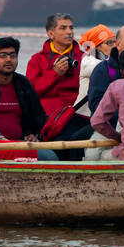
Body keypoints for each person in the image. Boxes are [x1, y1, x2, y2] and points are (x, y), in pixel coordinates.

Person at [25, 13, 89, 157]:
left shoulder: (84, 58)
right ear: (51, 33)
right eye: (63, 28)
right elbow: (31, 93)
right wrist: (55, 73)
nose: (69, 32)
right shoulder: (37, 60)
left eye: (71, 28)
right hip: (48, 120)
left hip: (77, 115)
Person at [0, 36, 57, 160]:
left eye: (12, 55)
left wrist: (31, 133)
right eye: (3, 55)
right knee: (49, 157)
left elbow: (38, 115)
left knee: (50, 156)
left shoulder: (22, 83)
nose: (8, 59)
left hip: (20, 143)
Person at [86, 24, 124, 160]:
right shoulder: (103, 70)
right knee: (92, 155)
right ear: (117, 44)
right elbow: (96, 107)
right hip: (112, 128)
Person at [76, 24, 115, 119]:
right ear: (96, 47)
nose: (114, 46)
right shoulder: (88, 62)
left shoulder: (106, 60)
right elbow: (112, 71)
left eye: (115, 42)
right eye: (109, 43)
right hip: (84, 117)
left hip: (97, 115)